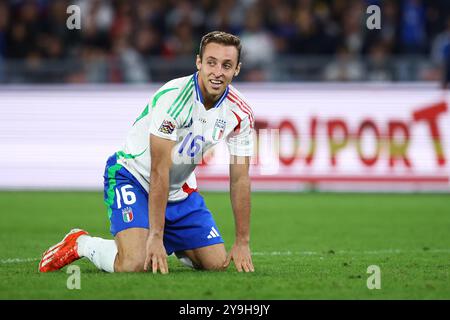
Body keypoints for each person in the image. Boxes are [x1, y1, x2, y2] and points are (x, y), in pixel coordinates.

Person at [38, 31, 255, 274]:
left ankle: (174, 242)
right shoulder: (174, 100)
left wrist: (242, 242)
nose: (217, 72)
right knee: (133, 264)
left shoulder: (240, 112)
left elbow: (240, 178)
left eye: (226, 65)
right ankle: (81, 243)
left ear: (237, 69)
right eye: (211, 62)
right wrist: (154, 235)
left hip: (179, 189)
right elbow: (158, 170)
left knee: (216, 264)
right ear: (198, 62)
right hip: (133, 176)